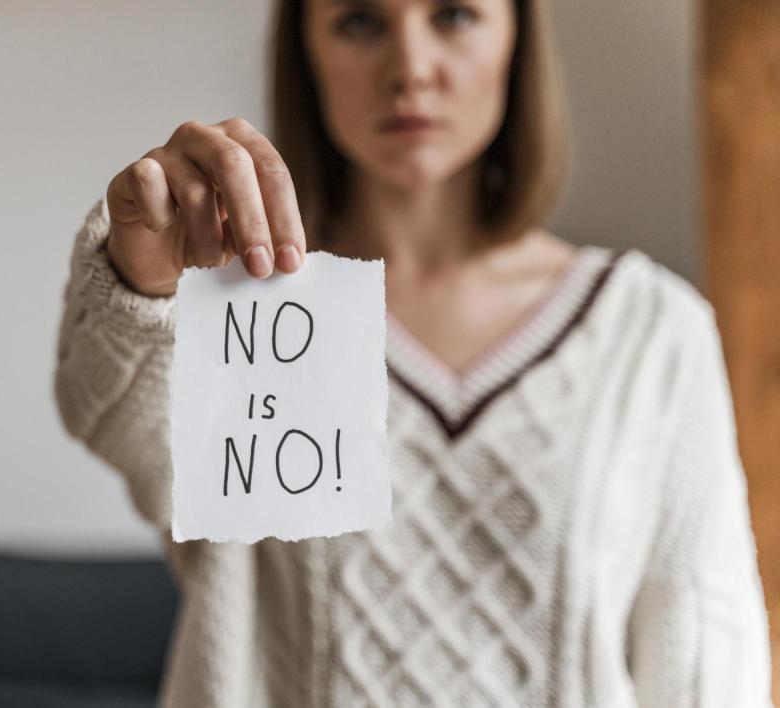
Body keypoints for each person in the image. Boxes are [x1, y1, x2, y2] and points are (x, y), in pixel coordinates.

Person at [54, 0, 774, 706]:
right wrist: (139, 281)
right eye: (361, 21)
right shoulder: (244, 311)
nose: (412, 68)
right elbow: (114, 423)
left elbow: (709, 661)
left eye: (454, 15)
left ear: (516, 38)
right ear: (305, 51)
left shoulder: (649, 332)